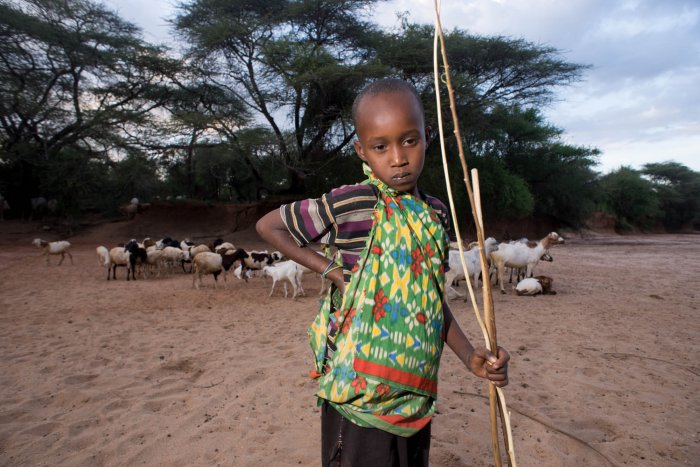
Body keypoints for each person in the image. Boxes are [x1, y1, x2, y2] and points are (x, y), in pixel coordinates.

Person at [256, 78, 509, 466]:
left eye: (409, 140)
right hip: (358, 401)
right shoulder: (353, 203)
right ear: (362, 150)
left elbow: (430, 299)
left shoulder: (436, 214)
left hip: (415, 398)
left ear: (428, 137)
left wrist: (469, 355)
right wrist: (332, 271)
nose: (398, 158)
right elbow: (268, 226)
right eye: (380, 146)